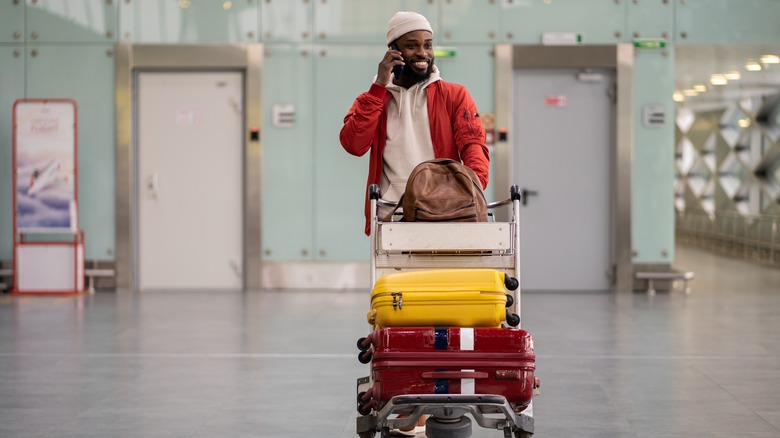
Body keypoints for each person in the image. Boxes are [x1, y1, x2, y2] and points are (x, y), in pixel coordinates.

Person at [340, 11, 489, 235]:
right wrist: (380, 85)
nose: (423, 53)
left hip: (445, 210)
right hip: (391, 216)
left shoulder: (454, 95)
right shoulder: (372, 99)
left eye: (428, 45)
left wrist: (470, 187)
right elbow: (354, 145)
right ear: (393, 51)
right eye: (412, 45)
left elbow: (473, 144)